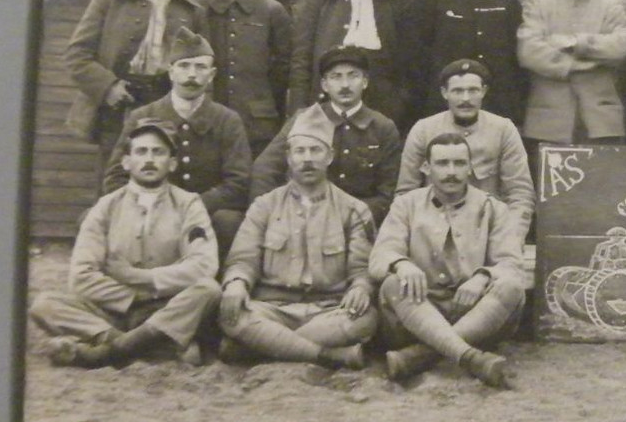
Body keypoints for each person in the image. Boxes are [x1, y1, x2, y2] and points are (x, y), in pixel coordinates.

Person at [31, 119, 220, 368]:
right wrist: (134, 296)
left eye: (158, 152)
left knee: (209, 289)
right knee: (45, 304)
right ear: (126, 162)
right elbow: (81, 277)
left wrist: (144, 278)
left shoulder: (188, 204)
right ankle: (147, 346)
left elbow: (205, 265)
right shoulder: (106, 207)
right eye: (141, 151)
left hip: (166, 307)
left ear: (172, 163)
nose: (149, 159)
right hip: (114, 311)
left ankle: (106, 353)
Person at [217, 107, 378, 370]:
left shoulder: (354, 209)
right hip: (272, 309)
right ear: (289, 158)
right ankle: (328, 356)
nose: (307, 159)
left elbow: (362, 269)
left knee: (366, 318)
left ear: (330, 157)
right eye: (300, 151)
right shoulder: (264, 206)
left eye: (316, 151)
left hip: (329, 310)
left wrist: (360, 287)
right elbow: (242, 259)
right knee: (232, 315)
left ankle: (262, 347)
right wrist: (236, 283)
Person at [369, 132, 526, 388]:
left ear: (470, 167)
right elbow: (379, 258)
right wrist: (402, 264)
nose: (451, 171)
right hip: (418, 312)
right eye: (442, 164)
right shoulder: (405, 205)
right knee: (391, 284)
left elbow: (512, 265)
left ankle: (421, 355)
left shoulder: (494, 209)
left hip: (475, 314)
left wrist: (483, 276)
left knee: (512, 288)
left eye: (459, 163)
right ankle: (469, 356)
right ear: (426, 168)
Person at [64, 0, 207, 166]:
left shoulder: (193, 10)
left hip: (164, 102)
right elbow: (76, 55)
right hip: (119, 103)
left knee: (160, 171)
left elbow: (201, 65)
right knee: (114, 175)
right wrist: (108, 87)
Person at [101, 27, 252, 256]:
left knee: (229, 221)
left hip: (206, 214)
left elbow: (238, 182)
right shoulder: (142, 116)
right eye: (184, 66)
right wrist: (149, 205)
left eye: (200, 67)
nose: (191, 75)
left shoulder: (227, 120)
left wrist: (193, 207)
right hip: (149, 209)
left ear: (211, 75)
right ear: (171, 72)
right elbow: (116, 177)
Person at [252, 45, 401, 228]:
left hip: (359, 223)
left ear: (365, 81)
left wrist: (350, 217)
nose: (345, 85)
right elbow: (265, 169)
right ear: (324, 85)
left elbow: (388, 193)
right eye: (336, 77)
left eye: (353, 75)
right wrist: (274, 214)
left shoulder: (383, 128)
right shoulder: (304, 119)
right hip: (302, 218)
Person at [517, 0, 626, 144]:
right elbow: (530, 51)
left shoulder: (612, 7)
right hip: (550, 122)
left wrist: (575, 43)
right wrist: (583, 64)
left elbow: (621, 46)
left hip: (600, 123)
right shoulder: (538, 5)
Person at [398, 59, 534, 244]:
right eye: (457, 91)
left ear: (484, 91)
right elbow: (405, 193)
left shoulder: (503, 129)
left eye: (473, 90)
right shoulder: (423, 130)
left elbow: (520, 194)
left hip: (488, 231)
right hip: (433, 232)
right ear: (444, 93)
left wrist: (511, 238)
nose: (465, 99)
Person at [193, 0, 292, 154]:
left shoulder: (272, 11)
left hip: (258, 124)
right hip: (206, 120)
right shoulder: (196, 8)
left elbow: (284, 68)